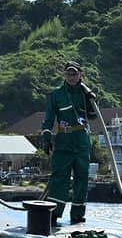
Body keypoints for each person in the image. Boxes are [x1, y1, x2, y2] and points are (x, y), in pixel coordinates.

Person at [41, 61, 97, 225]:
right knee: (59, 177)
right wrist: (46, 135)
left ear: (81, 74)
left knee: (82, 177)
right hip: (64, 141)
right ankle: (53, 213)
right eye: (68, 74)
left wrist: (92, 99)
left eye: (74, 74)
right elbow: (49, 118)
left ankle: (78, 214)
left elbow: (93, 116)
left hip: (81, 140)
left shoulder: (85, 94)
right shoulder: (56, 95)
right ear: (64, 75)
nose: (71, 77)